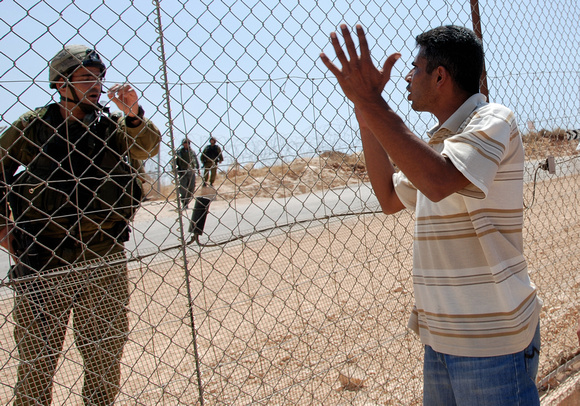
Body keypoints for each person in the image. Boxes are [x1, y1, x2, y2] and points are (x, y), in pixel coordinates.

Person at [321, 25, 542, 405]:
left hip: (492, 342)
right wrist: (364, 108)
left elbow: (438, 181)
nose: (407, 77)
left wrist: (374, 102)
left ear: (440, 75)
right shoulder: (439, 144)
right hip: (441, 339)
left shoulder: (493, 120)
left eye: (415, 68)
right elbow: (389, 197)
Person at [0, 44, 161, 405]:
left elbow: (146, 147)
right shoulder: (32, 129)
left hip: (104, 258)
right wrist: (6, 234)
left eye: (99, 78)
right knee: (36, 368)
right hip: (44, 264)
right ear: (60, 84)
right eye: (85, 78)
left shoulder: (114, 126)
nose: (97, 86)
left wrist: (133, 114)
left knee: (104, 362)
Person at [174, 138, 200, 208]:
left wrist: (198, 169)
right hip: (182, 171)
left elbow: (195, 160)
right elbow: (175, 162)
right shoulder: (179, 153)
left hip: (191, 171)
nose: (186, 144)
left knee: (191, 187)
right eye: (185, 143)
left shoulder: (192, 152)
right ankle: (184, 202)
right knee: (183, 188)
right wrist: (176, 171)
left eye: (187, 143)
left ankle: (187, 200)